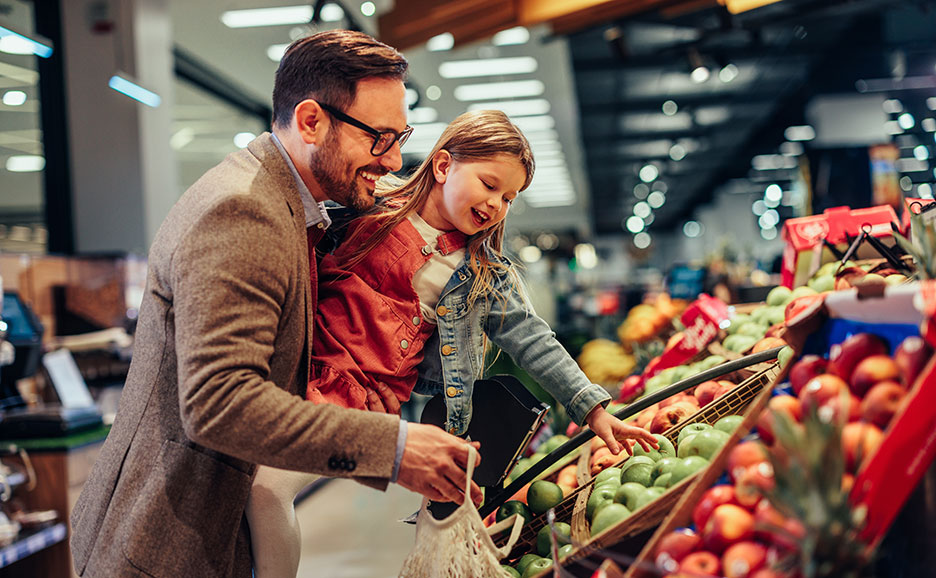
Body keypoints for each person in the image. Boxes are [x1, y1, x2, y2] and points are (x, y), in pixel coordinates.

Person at [69, 30, 483, 578]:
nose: (394, 159)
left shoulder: (291, 206)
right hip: (169, 550)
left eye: (399, 136)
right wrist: (396, 448)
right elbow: (220, 403)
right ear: (311, 122)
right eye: (379, 138)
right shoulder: (245, 212)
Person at [246, 110, 658, 577]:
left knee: (266, 488)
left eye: (509, 197)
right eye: (489, 184)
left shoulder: (482, 274)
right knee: (242, 483)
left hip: (357, 402)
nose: (497, 204)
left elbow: (532, 338)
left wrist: (593, 408)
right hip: (292, 370)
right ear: (443, 166)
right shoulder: (366, 206)